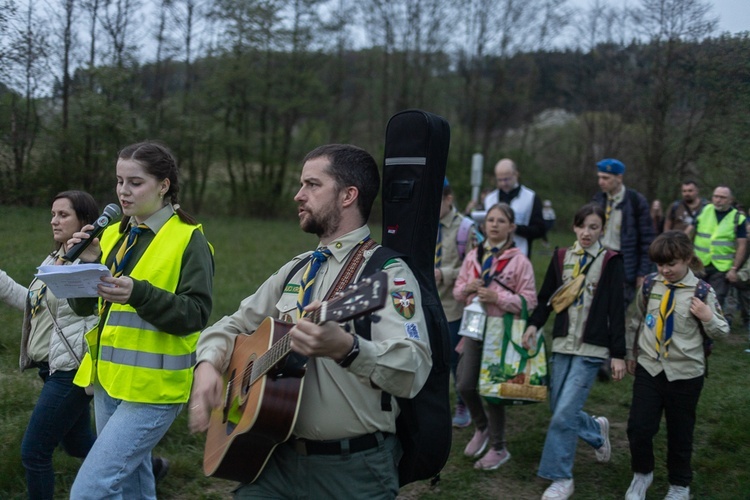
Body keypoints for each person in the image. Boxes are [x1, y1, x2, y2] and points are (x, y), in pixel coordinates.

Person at [188, 144, 431, 498]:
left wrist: (347, 348)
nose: (298, 195)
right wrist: (208, 363)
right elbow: (232, 325)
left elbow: (414, 368)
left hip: (352, 471)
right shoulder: (300, 267)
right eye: (302, 185)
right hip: (274, 456)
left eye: (312, 185)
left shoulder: (386, 274)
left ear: (348, 195)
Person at [66, 141, 214, 499]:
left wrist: (139, 293)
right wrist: (85, 265)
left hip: (154, 390)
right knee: (132, 486)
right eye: (119, 181)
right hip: (110, 380)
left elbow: (195, 314)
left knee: (89, 491)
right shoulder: (114, 233)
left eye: (135, 182)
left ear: (163, 185)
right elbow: (86, 308)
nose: (123, 191)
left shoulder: (188, 240)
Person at [521, 203, 626, 500]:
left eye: (594, 227)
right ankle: (595, 430)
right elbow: (545, 299)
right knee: (560, 410)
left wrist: (618, 352)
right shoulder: (561, 257)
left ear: (602, 229)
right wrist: (534, 326)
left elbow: (617, 309)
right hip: (563, 345)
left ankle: (561, 478)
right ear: (575, 227)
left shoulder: (610, 261)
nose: (588, 232)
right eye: (583, 226)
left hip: (591, 349)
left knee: (563, 414)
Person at [0, 191, 99, 499]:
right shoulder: (56, 257)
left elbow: (91, 309)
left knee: (34, 453)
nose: (54, 220)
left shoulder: (92, 262)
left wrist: (84, 261)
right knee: (79, 443)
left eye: (63, 215)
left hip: (71, 370)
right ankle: (152, 468)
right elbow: (34, 303)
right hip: (51, 367)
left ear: (85, 221)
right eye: (53, 214)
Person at [624, 231, 729, 500]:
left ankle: (680, 485)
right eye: (660, 264)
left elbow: (722, 332)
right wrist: (629, 353)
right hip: (650, 367)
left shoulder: (702, 291)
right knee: (639, 428)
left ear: (686, 259)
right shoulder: (650, 285)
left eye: (671, 264)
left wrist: (707, 318)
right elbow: (634, 320)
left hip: (685, 373)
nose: (665, 270)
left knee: (680, 432)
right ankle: (642, 474)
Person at [453, 203, 537, 470]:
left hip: (501, 334)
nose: (495, 224)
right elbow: (457, 291)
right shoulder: (473, 256)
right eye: (490, 220)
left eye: (501, 221)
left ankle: (499, 448)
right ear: (483, 224)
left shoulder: (519, 261)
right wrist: (468, 288)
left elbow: (529, 301)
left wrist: (496, 297)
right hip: (474, 328)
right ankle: (482, 427)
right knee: (465, 385)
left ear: (511, 227)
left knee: (493, 392)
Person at [436, 180, 479, 428]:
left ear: (449, 198)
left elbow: (475, 265)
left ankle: (463, 403)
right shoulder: (425, 223)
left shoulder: (466, 229)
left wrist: (445, 273)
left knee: (455, 358)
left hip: (454, 305)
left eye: (437, 200)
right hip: (428, 301)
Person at [592, 158, 654, 308]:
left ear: (619, 178)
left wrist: (642, 272)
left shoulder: (636, 202)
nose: (601, 182)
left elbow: (647, 240)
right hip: (598, 260)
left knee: (617, 310)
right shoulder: (598, 199)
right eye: (599, 177)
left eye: (606, 178)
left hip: (624, 264)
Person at [688, 185, 747, 326]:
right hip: (699, 263)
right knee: (692, 294)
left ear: (730, 200)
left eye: (722, 197)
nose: (718, 200)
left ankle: (711, 328)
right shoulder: (704, 211)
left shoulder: (738, 218)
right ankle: (690, 325)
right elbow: (690, 231)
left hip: (721, 268)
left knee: (715, 298)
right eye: (716, 196)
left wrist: (734, 268)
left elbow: (742, 245)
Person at [473, 158, 546, 257]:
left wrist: (516, 228)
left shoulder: (531, 197)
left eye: (507, 179)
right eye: (500, 180)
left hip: (520, 254)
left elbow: (540, 229)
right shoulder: (490, 198)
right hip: (491, 254)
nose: (503, 183)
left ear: (516, 174)